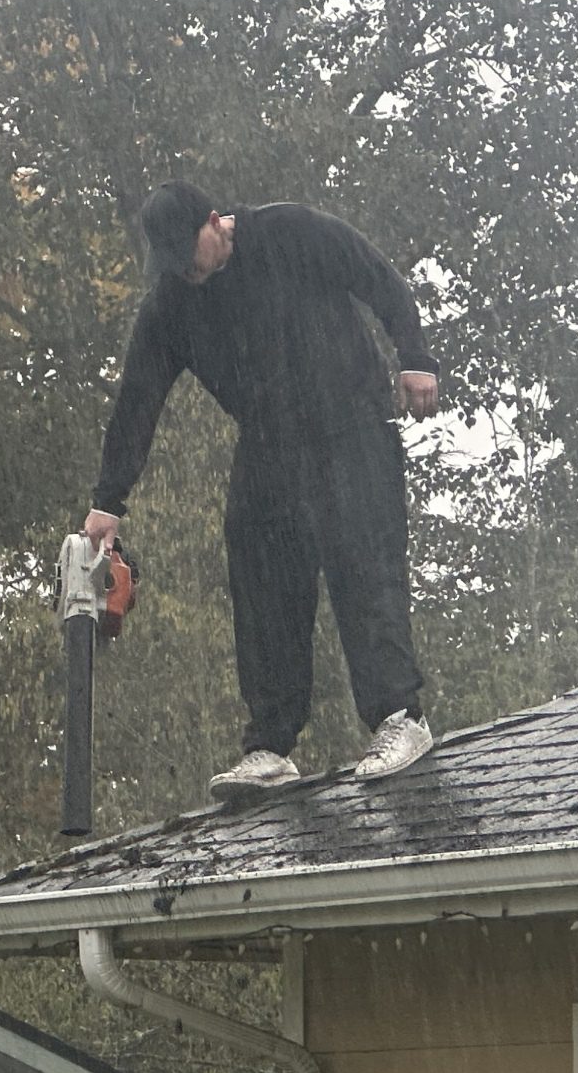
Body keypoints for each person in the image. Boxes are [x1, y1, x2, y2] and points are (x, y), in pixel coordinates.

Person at [83, 181, 442, 799]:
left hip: (350, 425)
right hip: (269, 445)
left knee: (362, 564)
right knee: (261, 580)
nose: (185, 270)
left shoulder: (289, 231)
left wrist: (415, 356)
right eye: (171, 262)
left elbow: (375, 274)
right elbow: (138, 400)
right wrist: (107, 501)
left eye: (188, 253)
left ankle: (399, 717)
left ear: (213, 222)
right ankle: (271, 745)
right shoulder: (171, 305)